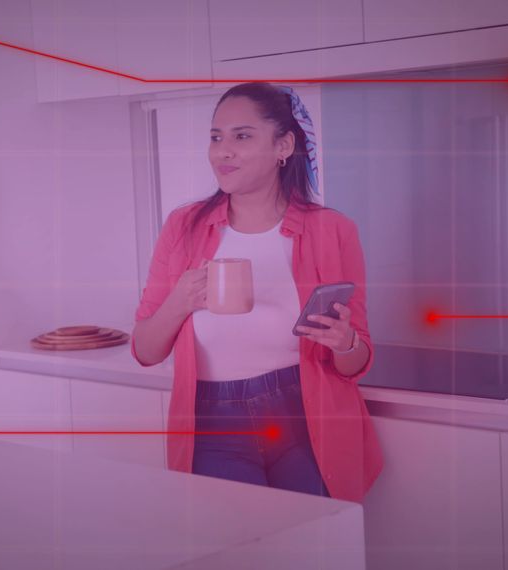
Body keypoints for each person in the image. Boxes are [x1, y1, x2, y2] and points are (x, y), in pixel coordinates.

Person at [130, 82, 383, 502]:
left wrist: (346, 341)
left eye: (241, 136)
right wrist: (180, 301)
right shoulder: (183, 227)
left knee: (313, 548)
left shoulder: (333, 230)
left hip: (307, 417)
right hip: (213, 422)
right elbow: (145, 350)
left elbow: (358, 360)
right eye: (216, 137)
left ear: (283, 146)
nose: (222, 151)